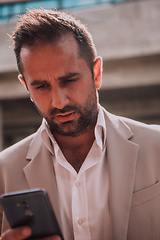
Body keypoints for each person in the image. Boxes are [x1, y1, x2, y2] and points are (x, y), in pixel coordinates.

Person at [0, 8, 160, 240]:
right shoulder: (3, 172)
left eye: (69, 80)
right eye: (41, 86)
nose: (59, 101)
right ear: (26, 86)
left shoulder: (157, 148)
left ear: (96, 73)